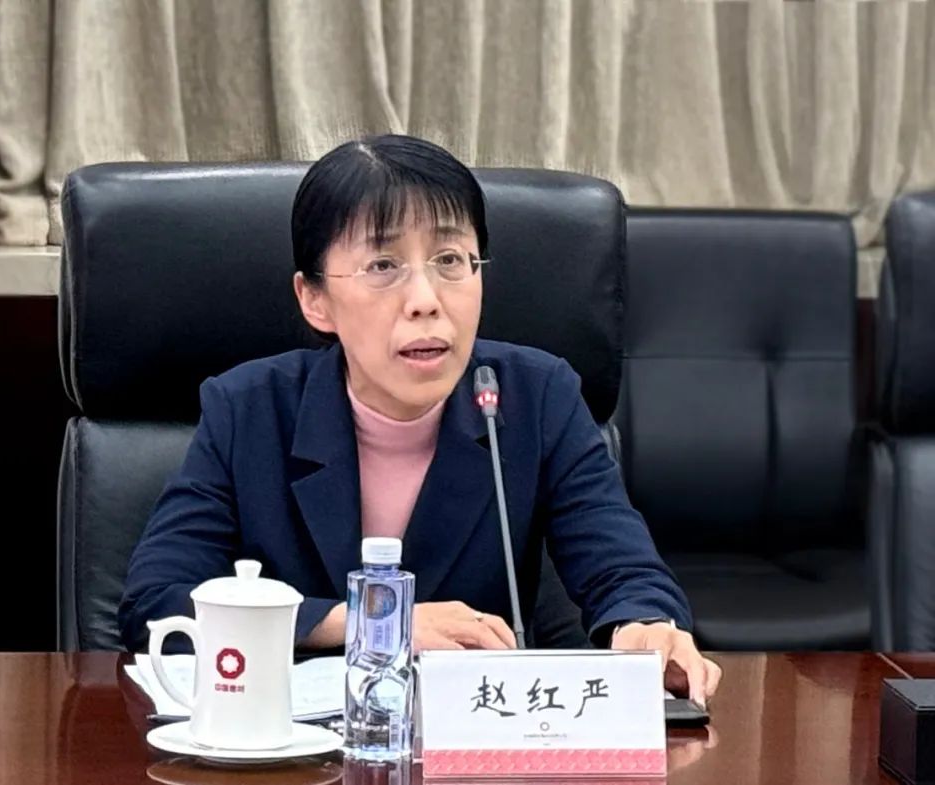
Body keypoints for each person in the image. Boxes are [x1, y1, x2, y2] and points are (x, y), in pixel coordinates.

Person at [119, 134, 722, 707]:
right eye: (383, 265)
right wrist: (375, 624)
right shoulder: (249, 408)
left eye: (451, 260)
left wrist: (644, 624)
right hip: (297, 747)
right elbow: (157, 605)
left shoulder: (536, 396)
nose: (426, 300)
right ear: (315, 299)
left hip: (480, 739)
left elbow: (620, 565)